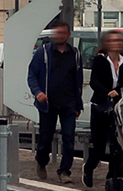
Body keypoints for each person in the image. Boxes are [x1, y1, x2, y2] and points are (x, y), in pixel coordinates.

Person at [27, 20, 83, 182]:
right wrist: (38, 92)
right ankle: (41, 161)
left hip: (68, 103)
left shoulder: (75, 54)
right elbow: (32, 75)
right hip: (48, 104)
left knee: (68, 137)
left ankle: (64, 171)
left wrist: (78, 104)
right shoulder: (43, 53)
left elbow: (77, 80)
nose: (58, 36)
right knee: (46, 136)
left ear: (68, 35)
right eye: (56, 33)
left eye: (62, 33)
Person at [84, 30, 123, 188]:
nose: (116, 43)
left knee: (117, 144)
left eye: (118, 40)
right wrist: (106, 91)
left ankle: (113, 174)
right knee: (100, 146)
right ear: (106, 44)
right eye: (112, 40)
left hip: (116, 107)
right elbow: (94, 81)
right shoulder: (100, 60)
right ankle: (88, 169)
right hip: (100, 106)